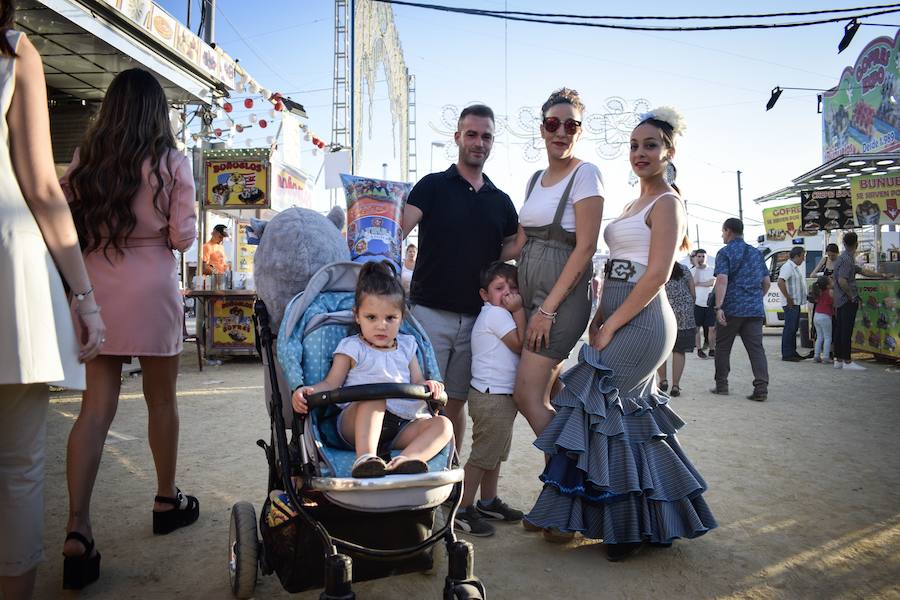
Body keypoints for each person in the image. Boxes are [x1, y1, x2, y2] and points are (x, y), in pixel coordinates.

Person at [525, 107, 717, 561]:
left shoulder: (668, 202)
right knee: (624, 417)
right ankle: (635, 524)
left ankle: (625, 525)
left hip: (645, 319)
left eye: (650, 145)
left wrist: (612, 322)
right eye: (634, 145)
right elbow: (614, 266)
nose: (640, 153)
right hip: (614, 308)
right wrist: (600, 314)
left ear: (669, 151)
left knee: (595, 400)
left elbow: (657, 275)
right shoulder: (634, 203)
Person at [60, 68, 199, 589]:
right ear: (157, 111)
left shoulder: (86, 160)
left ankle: (77, 528)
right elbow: (183, 237)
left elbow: (66, 221)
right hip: (153, 286)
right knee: (162, 401)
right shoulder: (171, 162)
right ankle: (166, 499)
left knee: (95, 409)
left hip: (97, 286)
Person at [0, 15, 105, 599]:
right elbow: (40, 185)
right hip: (8, 266)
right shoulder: (14, 49)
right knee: (17, 465)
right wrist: (84, 298)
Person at [402, 105, 519, 451]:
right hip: (428, 314)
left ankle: (450, 479)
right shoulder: (432, 186)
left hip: (477, 320)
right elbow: (397, 230)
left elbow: (515, 246)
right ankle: (418, 474)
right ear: (458, 138)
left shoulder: (502, 201)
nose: (478, 142)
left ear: (492, 142)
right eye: (471, 134)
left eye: (486, 136)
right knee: (421, 399)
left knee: (455, 402)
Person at [291, 261, 451, 478]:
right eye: (371, 317)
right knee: (375, 395)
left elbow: (418, 381)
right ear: (357, 316)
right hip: (355, 424)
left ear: (401, 317)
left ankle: (407, 459)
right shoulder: (351, 347)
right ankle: (365, 459)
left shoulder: (408, 345)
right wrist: (306, 390)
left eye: (390, 318)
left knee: (443, 425)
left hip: (401, 425)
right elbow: (331, 383)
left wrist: (430, 386)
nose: (381, 325)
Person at [509, 88, 605, 439]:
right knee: (551, 393)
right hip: (531, 293)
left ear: (580, 130)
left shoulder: (586, 174)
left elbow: (586, 247)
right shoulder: (535, 179)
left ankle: (568, 478)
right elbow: (519, 242)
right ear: (542, 129)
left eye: (571, 125)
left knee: (527, 395)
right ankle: (590, 453)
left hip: (559, 301)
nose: (561, 132)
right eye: (553, 124)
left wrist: (547, 310)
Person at [454, 262, 526, 537]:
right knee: (483, 456)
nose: (507, 294)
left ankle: (488, 502)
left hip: (499, 395)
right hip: (491, 396)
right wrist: (519, 309)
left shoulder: (499, 313)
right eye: (500, 288)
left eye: (513, 288)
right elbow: (519, 344)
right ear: (485, 295)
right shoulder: (497, 315)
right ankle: (462, 509)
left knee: (494, 453)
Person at [710, 218, 771, 402]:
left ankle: (722, 385)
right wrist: (754, 299)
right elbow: (766, 283)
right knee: (756, 349)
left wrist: (719, 306)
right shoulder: (756, 253)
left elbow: (722, 280)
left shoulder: (725, 252)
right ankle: (761, 388)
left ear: (728, 231)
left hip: (732, 308)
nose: (722, 235)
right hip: (754, 309)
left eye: (722, 231)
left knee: (723, 347)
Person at [831, 231, 893, 370]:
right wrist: (851, 295)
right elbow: (842, 280)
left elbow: (862, 271)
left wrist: (881, 275)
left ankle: (838, 359)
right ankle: (847, 360)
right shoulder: (847, 259)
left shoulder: (843, 258)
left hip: (839, 300)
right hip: (846, 300)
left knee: (840, 329)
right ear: (856, 244)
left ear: (844, 243)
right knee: (846, 329)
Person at [657, 262, 696, 397]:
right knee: (679, 350)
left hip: (663, 311)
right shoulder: (684, 269)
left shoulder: (659, 267)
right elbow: (693, 293)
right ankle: (676, 386)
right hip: (684, 314)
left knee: (661, 349)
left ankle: (663, 381)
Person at [778, 246, 808, 362]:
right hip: (790, 303)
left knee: (794, 328)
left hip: (796, 302)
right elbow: (781, 282)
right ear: (797, 256)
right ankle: (787, 353)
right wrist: (788, 298)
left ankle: (792, 352)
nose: (803, 260)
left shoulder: (794, 268)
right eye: (802, 257)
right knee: (790, 328)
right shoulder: (788, 267)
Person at [691, 248, 716, 358]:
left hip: (710, 303)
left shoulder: (712, 269)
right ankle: (699, 349)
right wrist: (697, 267)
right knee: (697, 328)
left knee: (712, 328)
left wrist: (699, 284)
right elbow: (694, 282)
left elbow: (711, 283)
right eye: (699, 256)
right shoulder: (693, 270)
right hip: (697, 303)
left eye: (703, 256)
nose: (701, 259)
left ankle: (712, 349)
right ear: (696, 258)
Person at [808, 276, 834, 364]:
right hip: (825, 316)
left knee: (819, 337)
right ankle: (826, 357)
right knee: (828, 337)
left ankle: (817, 355)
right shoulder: (830, 292)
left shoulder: (818, 293)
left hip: (817, 315)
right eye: (831, 281)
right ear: (827, 285)